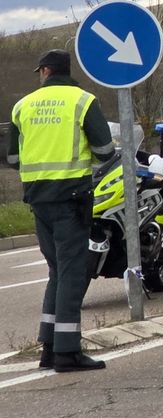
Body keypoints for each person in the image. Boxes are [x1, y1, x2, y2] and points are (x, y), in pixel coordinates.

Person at [6, 49, 115, 372]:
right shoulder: (83, 101)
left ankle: (49, 348)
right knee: (72, 272)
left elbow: (13, 159)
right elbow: (105, 150)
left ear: (45, 72)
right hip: (72, 198)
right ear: (66, 71)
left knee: (57, 270)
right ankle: (68, 352)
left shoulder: (22, 106)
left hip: (38, 199)